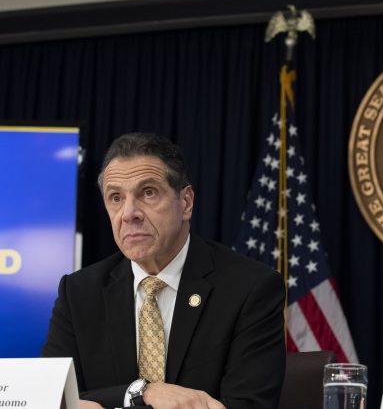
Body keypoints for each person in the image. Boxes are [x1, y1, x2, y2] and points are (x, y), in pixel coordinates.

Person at [42, 133, 286, 409]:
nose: (129, 213)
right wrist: (142, 392)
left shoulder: (250, 288)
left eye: (148, 192)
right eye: (115, 198)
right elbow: (51, 396)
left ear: (186, 203)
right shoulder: (78, 293)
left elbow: (250, 404)